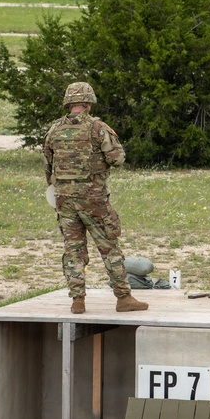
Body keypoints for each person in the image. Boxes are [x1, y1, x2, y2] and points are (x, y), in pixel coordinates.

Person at [43, 82, 148, 314]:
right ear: (89, 103)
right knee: (109, 247)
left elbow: (48, 166)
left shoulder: (54, 130)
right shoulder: (98, 128)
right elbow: (117, 159)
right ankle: (124, 298)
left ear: (68, 103)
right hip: (93, 200)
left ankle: (77, 301)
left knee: (73, 250)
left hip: (64, 200)